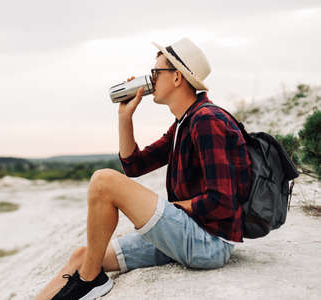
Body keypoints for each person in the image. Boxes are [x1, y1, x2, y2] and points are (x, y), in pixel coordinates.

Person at [35, 37, 252, 300]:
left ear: (176, 78)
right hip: (188, 231)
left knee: (103, 180)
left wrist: (174, 209)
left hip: (208, 243)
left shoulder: (207, 120)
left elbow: (223, 202)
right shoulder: (184, 123)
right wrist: (125, 118)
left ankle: (91, 281)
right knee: (82, 256)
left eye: (155, 73)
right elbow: (134, 165)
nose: (149, 80)